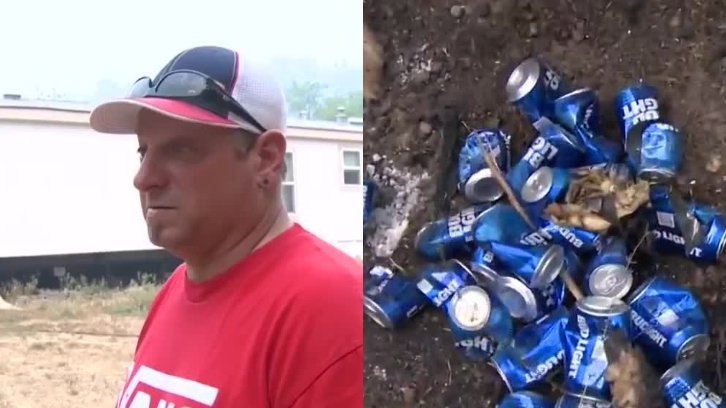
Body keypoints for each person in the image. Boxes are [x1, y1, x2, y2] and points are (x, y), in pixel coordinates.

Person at [89, 45, 363, 408]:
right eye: (144, 151)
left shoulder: (329, 310)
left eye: (181, 150)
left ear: (265, 159)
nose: (144, 178)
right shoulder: (173, 292)